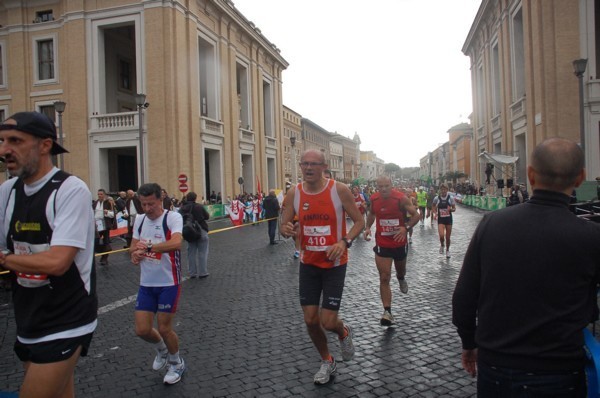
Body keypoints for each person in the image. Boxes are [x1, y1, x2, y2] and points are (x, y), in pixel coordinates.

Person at [452, 137, 600, 395]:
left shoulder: (491, 224)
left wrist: (469, 341)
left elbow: (464, 296)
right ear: (580, 178)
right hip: (560, 370)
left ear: (530, 175)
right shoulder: (591, 237)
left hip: (496, 367)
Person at [0, 111, 97, 397]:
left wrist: (5, 259)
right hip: (28, 316)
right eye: (2, 140)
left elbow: (57, 262)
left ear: (45, 145)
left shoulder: (70, 189)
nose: (5, 149)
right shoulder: (7, 191)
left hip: (67, 318)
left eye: (15, 141)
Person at [280, 149, 365, 385]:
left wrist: (344, 241)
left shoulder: (339, 190)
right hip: (309, 264)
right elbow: (283, 224)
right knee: (309, 320)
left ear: (324, 166)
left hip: (334, 264)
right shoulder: (294, 193)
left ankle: (343, 331)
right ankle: (327, 360)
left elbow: (360, 221)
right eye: (304, 164)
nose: (308, 168)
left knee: (328, 321)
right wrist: (285, 229)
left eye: (313, 164)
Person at [129, 183, 185, 385]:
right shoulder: (140, 220)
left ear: (160, 200)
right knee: (142, 330)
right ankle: (162, 350)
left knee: (164, 328)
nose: (147, 208)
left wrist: (150, 246)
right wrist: (135, 254)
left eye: (151, 204)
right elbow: (133, 246)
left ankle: (176, 362)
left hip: (169, 282)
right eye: (143, 204)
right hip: (147, 283)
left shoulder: (172, 217)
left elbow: (177, 243)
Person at [364, 176, 419, 326]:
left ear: (391, 185)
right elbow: (372, 214)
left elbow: (416, 215)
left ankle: (401, 278)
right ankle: (387, 312)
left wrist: (405, 228)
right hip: (382, 242)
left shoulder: (400, 199)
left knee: (400, 271)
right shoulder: (374, 199)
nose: (383, 189)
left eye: (386, 186)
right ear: (377, 186)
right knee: (384, 277)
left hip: (400, 242)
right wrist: (368, 227)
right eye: (380, 186)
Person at [179, 191, 210, 279]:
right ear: (195, 198)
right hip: (201, 229)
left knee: (191, 253)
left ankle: (192, 273)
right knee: (202, 252)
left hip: (189, 231)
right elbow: (207, 216)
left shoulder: (182, 208)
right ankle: (203, 272)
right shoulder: (199, 206)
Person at [432, 183, 456, 258]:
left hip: (448, 219)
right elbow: (433, 206)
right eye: (442, 189)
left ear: (447, 190)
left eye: (445, 189)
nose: (443, 191)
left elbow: (454, 208)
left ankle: (448, 250)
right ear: (440, 190)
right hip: (441, 219)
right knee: (441, 235)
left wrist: (451, 210)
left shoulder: (450, 198)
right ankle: (442, 245)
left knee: (448, 237)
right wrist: (435, 213)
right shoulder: (437, 198)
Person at [93, 188, 115, 265]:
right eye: (98, 194)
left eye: (101, 194)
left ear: (104, 195)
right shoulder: (95, 203)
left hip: (105, 224)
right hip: (96, 225)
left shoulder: (108, 203)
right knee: (95, 241)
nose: (100, 196)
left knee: (106, 241)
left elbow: (112, 215)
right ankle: (105, 250)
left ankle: (104, 258)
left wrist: (107, 212)